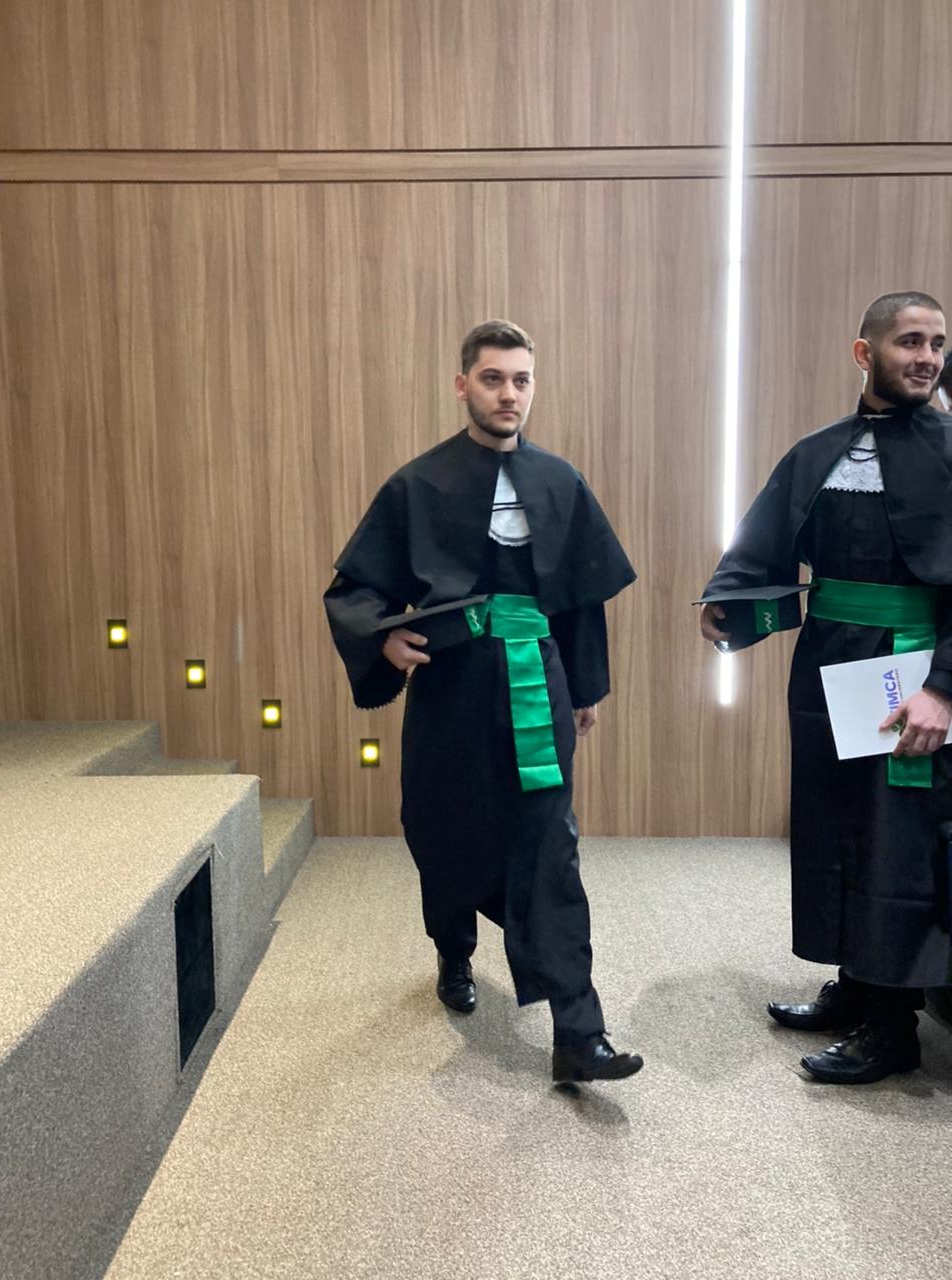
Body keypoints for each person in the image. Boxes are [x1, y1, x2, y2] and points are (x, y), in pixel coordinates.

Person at [325, 320, 642, 1084]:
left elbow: (582, 598)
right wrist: (382, 640)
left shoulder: (560, 482)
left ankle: (578, 1031)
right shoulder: (417, 484)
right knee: (444, 827)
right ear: (463, 384)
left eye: (521, 380)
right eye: (494, 379)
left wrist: (585, 689)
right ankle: (453, 950)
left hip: (538, 680)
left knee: (551, 843)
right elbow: (355, 590)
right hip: (453, 684)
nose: (509, 394)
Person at [700, 291, 952, 1084]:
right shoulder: (819, 451)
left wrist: (943, 689)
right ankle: (857, 984)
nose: (927, 357)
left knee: (896, 843)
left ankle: (893, 1027)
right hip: (828, 664)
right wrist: (729, 605)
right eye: (910, 341)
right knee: (834, 824)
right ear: (864, 353)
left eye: (938, 343)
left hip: (912, 668)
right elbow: (762, 542)